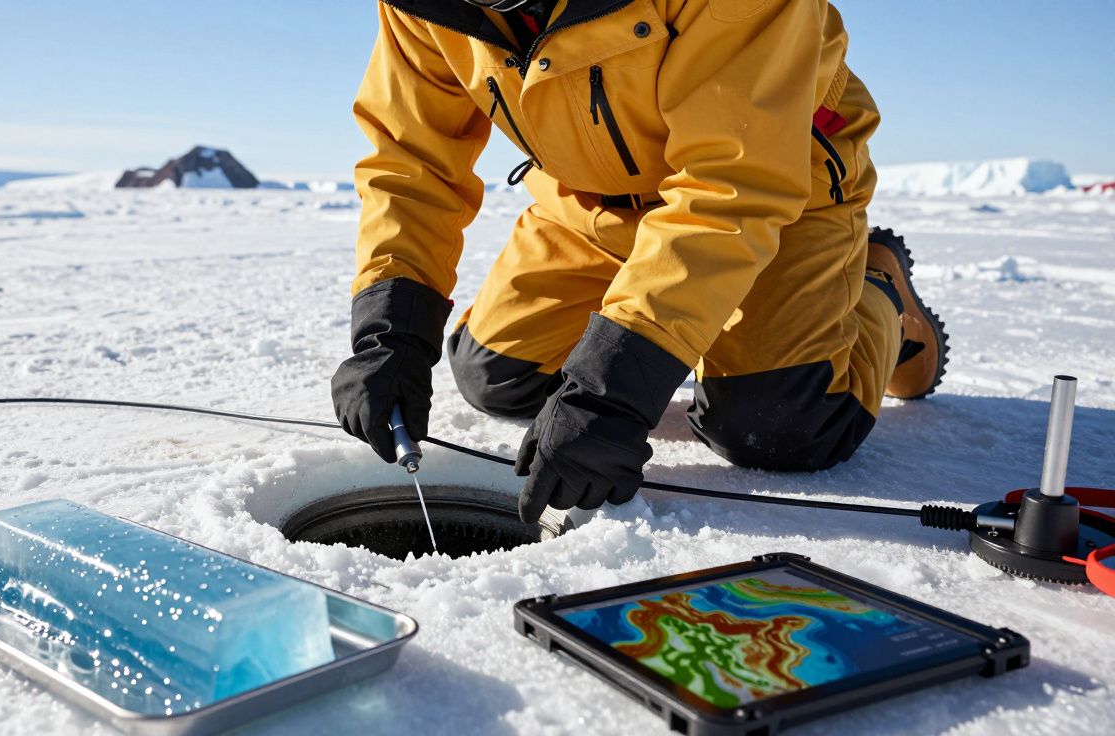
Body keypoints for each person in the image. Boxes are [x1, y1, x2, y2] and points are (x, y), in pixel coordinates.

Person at [331, 0, 948, 524]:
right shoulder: (422, 7)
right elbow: (412, 166)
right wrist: (390, 335)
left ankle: (877, 289)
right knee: (499, 379)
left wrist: (616, 389)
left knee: (776, 425)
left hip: (779, 190)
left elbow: (730, 186)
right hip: (590, 206)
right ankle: (699, 325)